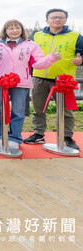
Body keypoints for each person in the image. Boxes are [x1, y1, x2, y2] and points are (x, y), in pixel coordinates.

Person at [0, 19, 60, 149]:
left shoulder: (30, 45)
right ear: (5, 31)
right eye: (11, 28)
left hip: (21, 83)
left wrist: (51, 58)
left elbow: (37, 63)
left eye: (17, 28)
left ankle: (14, 137)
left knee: (18, 112)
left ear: (22, 30)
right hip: (0, 83)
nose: (14, 31)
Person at [24, 9, 83, 150]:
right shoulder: (36, 36)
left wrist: (81, 61)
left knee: (66, 111)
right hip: (39, 78)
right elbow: (28, 55)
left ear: (65, 20)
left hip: (64, 81)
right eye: (54, 17)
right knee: (38, 108)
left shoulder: (76, 36)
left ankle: (67, 137)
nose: (57, 19)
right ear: (47, 20)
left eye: (61, 17)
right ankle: (38, 134)